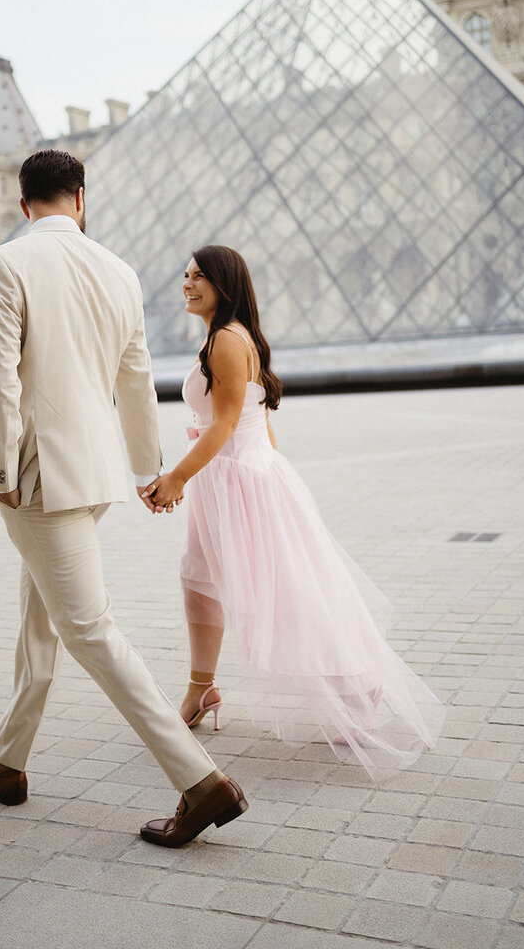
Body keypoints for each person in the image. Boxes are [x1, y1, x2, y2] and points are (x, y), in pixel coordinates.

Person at [0, 152, 247, 847]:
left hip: (37, 476)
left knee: (86, 627)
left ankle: (201, 782)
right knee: (40, 613)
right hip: (96, 474)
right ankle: (6, 762)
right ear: (80, 198)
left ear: (24, 205)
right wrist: (149, 468)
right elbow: (135, 380)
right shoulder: (120, 271)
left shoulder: (5, 264)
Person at [143, 245, 445, 779]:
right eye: (185, 276)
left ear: (224, 283)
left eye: (199, 277)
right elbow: (252, 419)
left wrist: (177, 477)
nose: (187, 285)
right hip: (237, 480)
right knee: (198, 580)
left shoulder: (227, 342)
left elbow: (225, 423)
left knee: (286, 592)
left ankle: (357, 683)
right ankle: (201, 688)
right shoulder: (228, 337)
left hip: (239, 483)